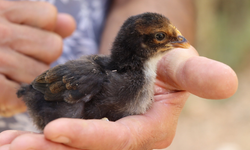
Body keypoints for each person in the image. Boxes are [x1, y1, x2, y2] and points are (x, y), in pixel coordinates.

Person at [0, 0, 238, 150]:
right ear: (141, 45)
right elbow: (36, 91)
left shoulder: (132, 82)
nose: (180, 40)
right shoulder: (92, 78)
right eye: (161, 37)